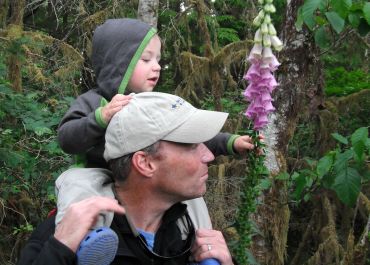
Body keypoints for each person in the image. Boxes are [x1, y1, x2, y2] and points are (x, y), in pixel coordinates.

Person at [55, 18, 258, 264]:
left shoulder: (155, 103)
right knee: (75, 184)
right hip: (99, 173)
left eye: (159, 60)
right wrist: (100, 118)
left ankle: (205, 252)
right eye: (146, 59)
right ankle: (85, 242)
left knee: (192, 199)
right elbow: (67, 138)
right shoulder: (94, 101)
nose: (157, 67)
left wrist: (231, 142)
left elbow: (189, 138)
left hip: (144, 184)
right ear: (119, 64)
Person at [17, 92, 236, 265]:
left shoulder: (188, 231)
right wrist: (59, 250)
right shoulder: (68, 234)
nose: (208, 155)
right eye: (191, 145)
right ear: (145, 163)